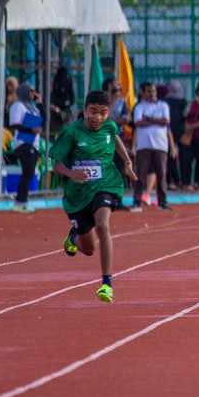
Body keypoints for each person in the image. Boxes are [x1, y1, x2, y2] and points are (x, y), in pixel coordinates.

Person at [53, 90, 136, 302]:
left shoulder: (109, 126)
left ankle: (107, 284)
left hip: (106, 184)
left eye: (103, 113)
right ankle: (73, 238)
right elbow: (57, 165)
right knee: (88, 248)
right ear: (84, 111)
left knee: (102, 224)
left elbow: (115, 138)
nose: (98, 117)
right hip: (78, 194)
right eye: (93, 112)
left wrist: (126, 162)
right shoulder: (71, 133)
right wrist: (72, 173)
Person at [129, 81, 174, 211]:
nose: (152, 93)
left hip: (161, 145)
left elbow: (165, 121)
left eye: (153, 91)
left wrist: (147, 119)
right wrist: (156, 121)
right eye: (149, 91)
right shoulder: (139, 107)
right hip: (143, 145)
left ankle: (162, 201)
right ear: (143, 93)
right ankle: (137, 202)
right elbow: (138, 122)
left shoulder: (163, 106)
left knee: (161, 174)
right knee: (141, 174)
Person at [7, 81, 45, 213]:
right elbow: (14, 123)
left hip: (33, 143)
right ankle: (20, 201)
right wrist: (31, 130)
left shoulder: (32, 107)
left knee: (30, 172)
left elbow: (44, 119)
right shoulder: (17, 106)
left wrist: (39, 103)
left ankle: (23, 200)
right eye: (30, 91)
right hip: (23, 142)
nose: (33, 93)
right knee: (27, 172)